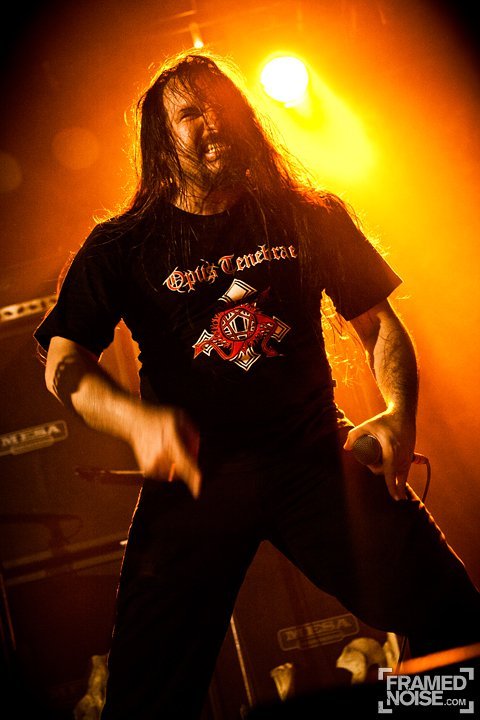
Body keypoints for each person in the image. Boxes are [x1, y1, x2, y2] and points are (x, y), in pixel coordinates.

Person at [34, 50, 480, 719]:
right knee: (144, 698)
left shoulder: (307, 214)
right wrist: (136, 421)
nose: (212, 122)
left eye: (223, 107)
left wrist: (398, 410)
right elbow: (63, 364)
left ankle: (423, 709)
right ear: (162, 140)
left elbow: (379, 324)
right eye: (191, 113)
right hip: (196, 481)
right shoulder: (122, 245)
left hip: (312, 458)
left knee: (458, 628)